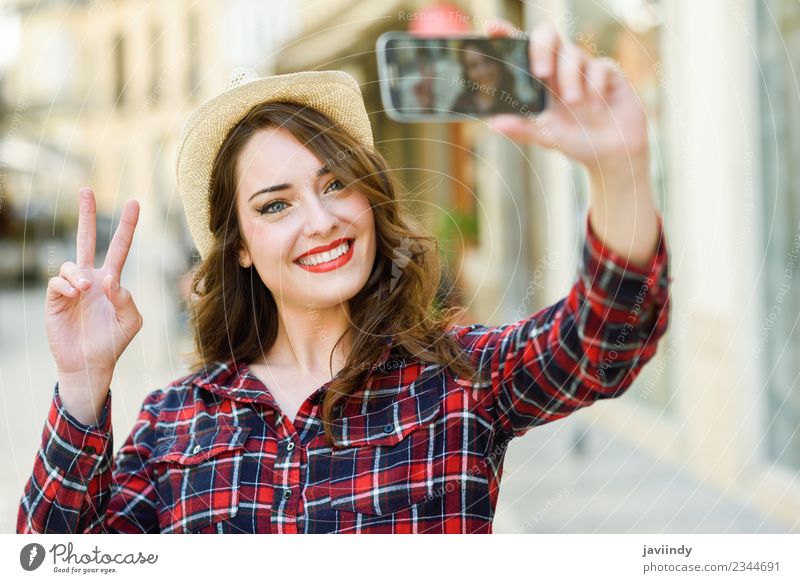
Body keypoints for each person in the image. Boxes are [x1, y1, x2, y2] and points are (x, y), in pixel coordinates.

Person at [17, 19, 671, 534]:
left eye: (336, 184)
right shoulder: (175, 424)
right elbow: (59, 559)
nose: (322, 219)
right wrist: (82, 383)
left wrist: (620, 168)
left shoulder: (458, 381)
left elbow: (603, 342)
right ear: (239, 246)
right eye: (276, 204)